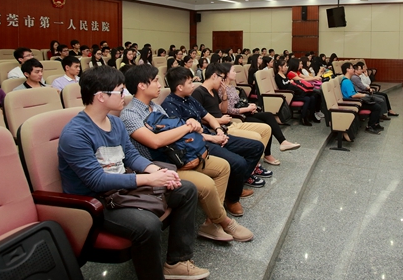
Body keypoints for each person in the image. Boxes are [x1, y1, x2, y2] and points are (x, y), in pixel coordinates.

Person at [58, 65, 209, 280]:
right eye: (120, 91)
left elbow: (131, 156)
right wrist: (149, 179)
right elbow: (97, 181)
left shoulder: (115, 122)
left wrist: (158, 172)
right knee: (148, 225)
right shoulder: (76, 134)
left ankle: (177, 261)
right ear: (100, 96)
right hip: (97, 202)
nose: (125, 95)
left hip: (122, 189)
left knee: (186, 189)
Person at [120, 65, 253, 242]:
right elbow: (155, 141)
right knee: (206, 184)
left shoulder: (156, 107)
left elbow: (175, 131)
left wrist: (189, 125)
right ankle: (224, 222)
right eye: (155, 81)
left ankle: (211, 222)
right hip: (159, 165)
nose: (160, 85)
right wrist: (187, 127)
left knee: (223, 167)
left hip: (178, 155)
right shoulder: (129, 114)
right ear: (141, 85)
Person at [162, 67, 264, 217]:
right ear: (179, 87)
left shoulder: (189, 98)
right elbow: (185, 136)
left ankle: (234, 187)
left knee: (257, 147)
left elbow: (208, 116)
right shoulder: (170, 105)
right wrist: (213, 138)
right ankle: (232, 199)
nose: (193, 85)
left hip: (211, 134)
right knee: (238, 162)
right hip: (199, 143)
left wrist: (219, 130)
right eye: (190, 83)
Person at [191, 64, 272, 185]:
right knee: (256, 138)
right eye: (221, 78)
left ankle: (253, 165)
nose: (222, 81)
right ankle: (249, 171)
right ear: (214, 76)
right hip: (218, 128)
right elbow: (198, 119)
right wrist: (219, 122)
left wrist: (224, 95)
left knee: (266, 129)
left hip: (228, 123)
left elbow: (223, 110)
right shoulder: (198, 93)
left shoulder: (214, 91)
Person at [219, 63, 300, 166]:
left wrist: (250, 106)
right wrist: (247, 109)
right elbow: (228, 110)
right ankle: (267, 155)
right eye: (233, 71)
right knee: (266, 126)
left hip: (244, 112)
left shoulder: (231, 86)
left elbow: (238, 102)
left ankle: (283, 142)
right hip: (238, 117)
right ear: (226, 73)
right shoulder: (222, 89)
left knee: (269, 115)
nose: (235, 73)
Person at [340, 62, 385, 135]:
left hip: (356, 101)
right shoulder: (346, 82)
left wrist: (363, 95)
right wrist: (364, 95)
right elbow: (353, 95)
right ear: (347, 69)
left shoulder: (348, 80)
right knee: (376, 107)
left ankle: (375, 124)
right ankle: (370, 126)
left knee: (376, 104)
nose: (353, 69)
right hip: (353, 103)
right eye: (352, 68)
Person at [273, 59, 318, 126]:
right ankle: (303, 118)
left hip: (294, 92)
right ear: (280, 67)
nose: (286, 67)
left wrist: (290, 82)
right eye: (285, 66)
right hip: (289, 94)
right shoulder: (278, 76)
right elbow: (282, 87)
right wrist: (290, 82)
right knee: (308, 98)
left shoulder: (284, 75)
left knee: (312, 97)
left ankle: (311, 115)